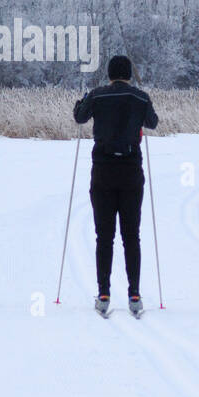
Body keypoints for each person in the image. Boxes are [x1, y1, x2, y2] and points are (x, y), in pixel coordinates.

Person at [73, 55, 159, 316]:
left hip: (103, 172)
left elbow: (79, 117)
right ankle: (134, 294)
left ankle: (104, 293)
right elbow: (152, 122)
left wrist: (82, 99)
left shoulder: (98, 96)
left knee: (104, 236)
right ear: (129, 74)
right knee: (131, 236)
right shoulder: (141, 97)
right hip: (131, 173)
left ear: (110, 74)